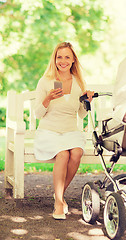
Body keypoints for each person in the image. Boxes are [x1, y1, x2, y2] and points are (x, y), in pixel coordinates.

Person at [34, 42, 94, 220]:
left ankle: (59, 194)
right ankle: (59, 202)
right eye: (59, 56)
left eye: (67, 57)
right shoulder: (46, 81)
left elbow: (81, 114)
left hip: (70, 131)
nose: (63, 61)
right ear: (55, 59)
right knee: (63, 154)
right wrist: (48, 99)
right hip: (49, 131)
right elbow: (38, 114)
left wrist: (88, 100)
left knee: (76, 152)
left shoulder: (78, 82)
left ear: (73, 60)